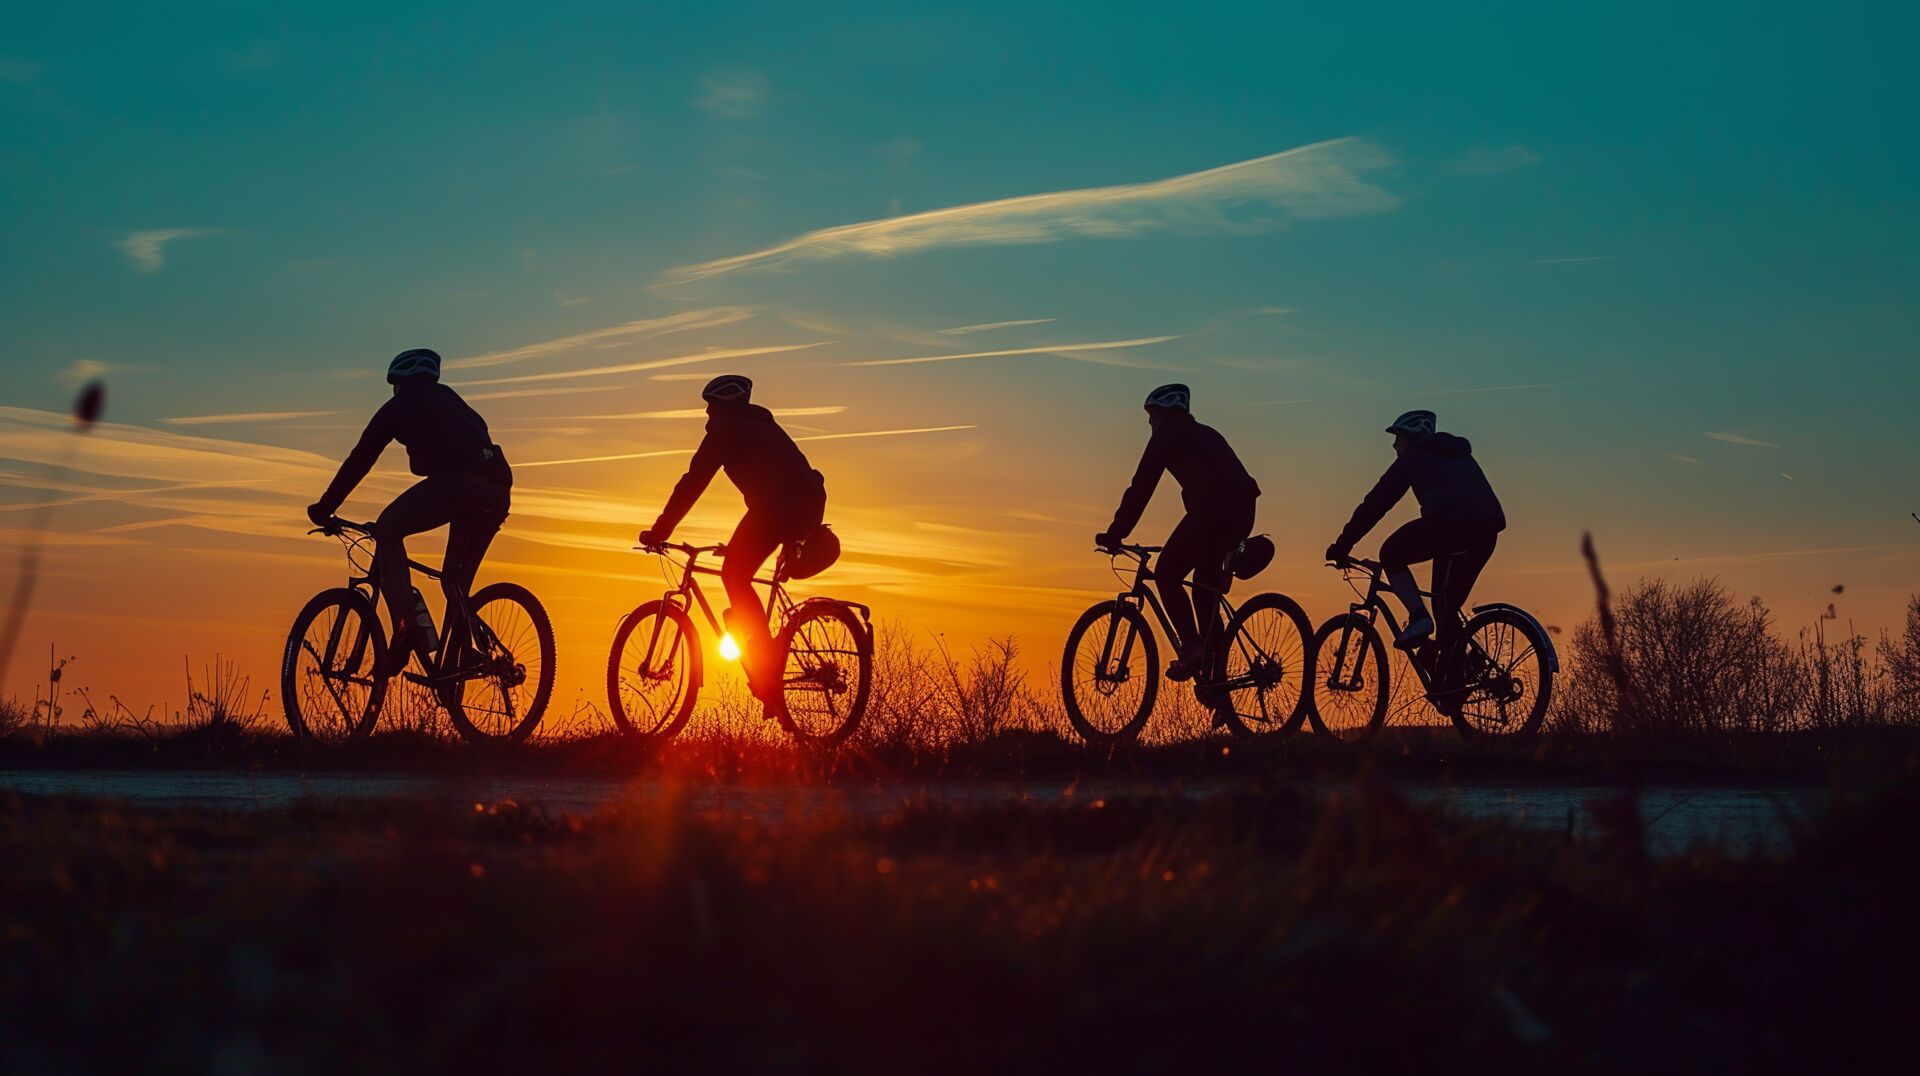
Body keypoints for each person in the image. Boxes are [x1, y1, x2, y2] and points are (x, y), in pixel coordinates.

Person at [307, 348, 512, 676]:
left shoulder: (400, 406)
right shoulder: (453, 402)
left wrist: (325, 508)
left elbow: (361, 458)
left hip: (457, 486)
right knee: (453, 582)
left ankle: (405, 630)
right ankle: (462, 658)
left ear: (400, 383)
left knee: (388, 527)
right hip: (496, 493)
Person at [638, 375, 827, 704]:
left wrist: (660, 531)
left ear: (723, 408)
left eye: (711, 407)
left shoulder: (726, 432)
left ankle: (767, 660)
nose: (707, 415)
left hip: (778, 508)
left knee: (733, 575)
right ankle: (770, 682)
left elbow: (693, 483)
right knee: (738, 567)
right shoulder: (760, 425)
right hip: (804, 504)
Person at [1325, 409, 1505, 709]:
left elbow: (1376, 503)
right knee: (1446, 605)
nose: (1394, 446)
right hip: (1485, 534)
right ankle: (1452, 686)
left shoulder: (1415, 457)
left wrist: (1343, 544)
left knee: (1391, 553)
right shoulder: (1457, 454)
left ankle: (1420, 620)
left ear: (1411, 438)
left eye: (1397, 438)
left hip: (1451, 528)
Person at [1095, 383, 1260, 682]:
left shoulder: (1166, 436)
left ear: (1162, 413)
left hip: (1212, 512)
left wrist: (1115, 533)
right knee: (1203, 587)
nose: (1149, 423)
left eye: (1151, 416)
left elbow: (1141, 488)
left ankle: (1193, 648)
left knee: (1167, 573)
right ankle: (1216, 683)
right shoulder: (1206, 433)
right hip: (1242, 513)